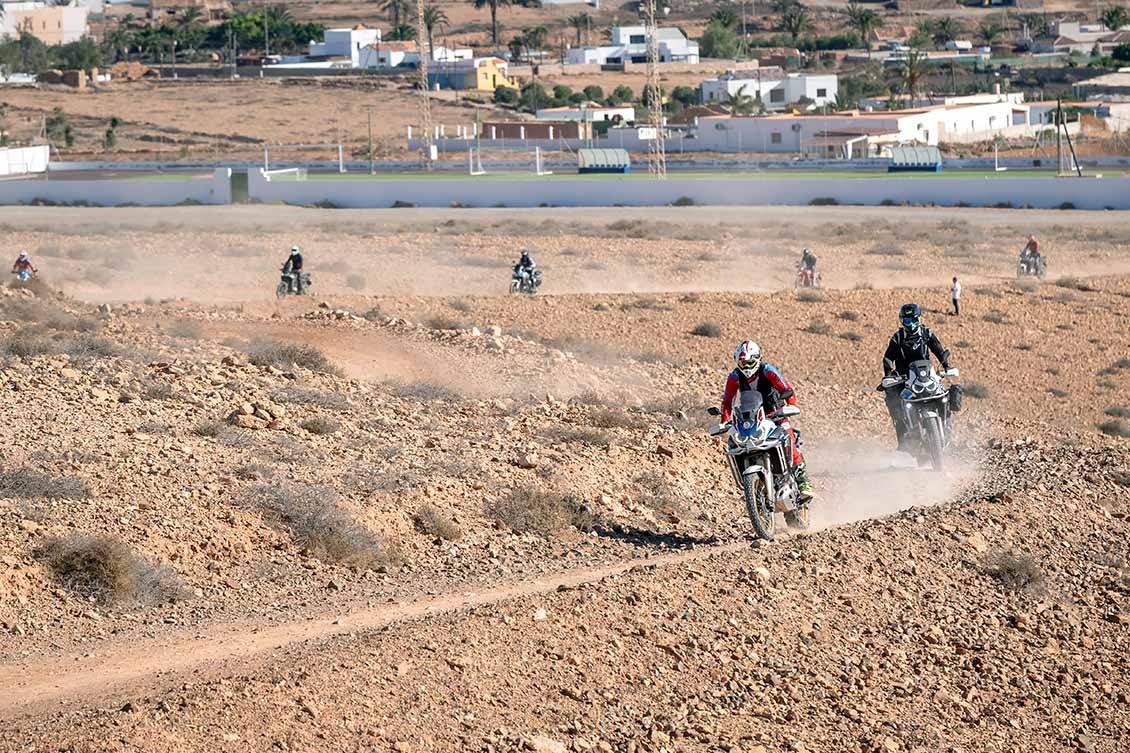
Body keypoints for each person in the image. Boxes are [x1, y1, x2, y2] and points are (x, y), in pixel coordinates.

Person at [720, 340, 813, 501]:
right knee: (736, 443)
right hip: (751, 417)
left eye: (749, 362)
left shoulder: (768, 370)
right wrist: (725, 421)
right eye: (742, 362)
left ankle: (803, 482)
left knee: (788, 439)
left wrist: (791, 405)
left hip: (774, 413)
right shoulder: (735, 376)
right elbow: (728, 401)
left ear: (758, 358)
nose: (746, 366)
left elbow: (786, 389)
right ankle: (750, 484)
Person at [880, 303, 953, 451]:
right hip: (905, 378)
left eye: (914, 319)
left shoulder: (927, 333)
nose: (912, 324)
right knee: (897, 404)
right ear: (902, 321)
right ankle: (904, 442)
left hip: (926, 375)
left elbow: (938, 350)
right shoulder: (898, 337)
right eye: (908, 321)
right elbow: (888, 358)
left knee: (945, 395)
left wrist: (946, 366)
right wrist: (888, 375)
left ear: (919, 318)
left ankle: (947, 425)